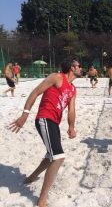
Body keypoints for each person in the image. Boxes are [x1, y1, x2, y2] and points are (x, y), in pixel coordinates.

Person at [9, 57, 81, 207]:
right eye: (79, 66)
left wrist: (71, 127)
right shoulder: (57, 77)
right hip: (44, 118)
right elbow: (35, 92)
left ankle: (32, 177)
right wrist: (24, 114)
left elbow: (71, 110)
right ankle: (42, 199)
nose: (81, 68)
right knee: (59, 157)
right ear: (72, 67)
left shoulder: (73, 89)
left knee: (51, 155)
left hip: (54, 123)